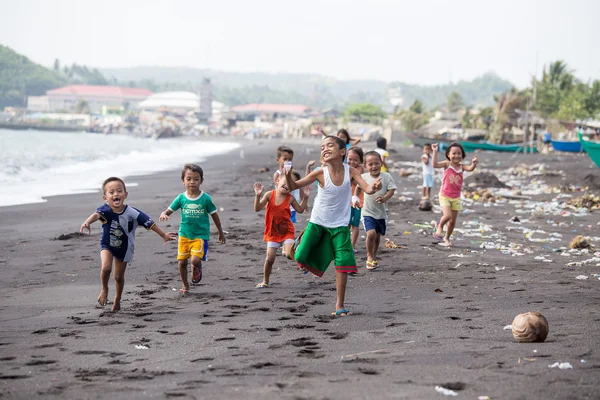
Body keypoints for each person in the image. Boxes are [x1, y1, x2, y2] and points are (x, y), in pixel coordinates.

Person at [284, 135, 382, 317]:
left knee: (343, 264)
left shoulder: (351, 172)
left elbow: (367, 188)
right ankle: (297, 245)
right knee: (301, 255)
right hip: (318, 222)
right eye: (322, 147)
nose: (325, 149)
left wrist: (374, 187)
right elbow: (293, 186)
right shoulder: (320, 173)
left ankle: (340, 305)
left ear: (342, 151)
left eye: (330, 145)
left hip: (340, 226)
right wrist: (287, 174)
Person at [80, 177, 177, 311]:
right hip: (107, 244)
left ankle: (117, 299)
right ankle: (104, 288)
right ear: (105, 198)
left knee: (118, 277)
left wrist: (163, 235)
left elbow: (150, 223)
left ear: (125, 195)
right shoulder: (105, 210)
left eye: (119, 191)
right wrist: (87, 222)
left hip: (124, 248)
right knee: (106, 268)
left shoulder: (132, 212)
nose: (115, 194)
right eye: (111, 192)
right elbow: (96, 215)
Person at [159, 164, 226, 294]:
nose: (192, 182)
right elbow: (168, 211)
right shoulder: (181, 198)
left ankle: (197, 266)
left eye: (196, 179)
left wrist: (220, 232)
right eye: (188, 179)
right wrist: (164, 214)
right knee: (181, 262)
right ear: (183, 181)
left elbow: (215, 216)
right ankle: (185, 286)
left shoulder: (206, 198)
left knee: (195, 260)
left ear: (201, 180)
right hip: (184, 234)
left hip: (200, 235)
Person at [253, 177, 309, 288]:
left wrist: (306, 197)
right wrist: (258, 195)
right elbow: (257, 208)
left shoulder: (290, 198)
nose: (287, 186)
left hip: (287, 231)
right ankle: (265, 281)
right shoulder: (269, 194)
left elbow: (300, 209)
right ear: (277, 181)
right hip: (272, 233)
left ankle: (300, 257)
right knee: (269, 259)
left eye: (290, 185)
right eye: (285, 183)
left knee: (289, 254)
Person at [355, 151, 397, 270]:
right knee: (371, 233)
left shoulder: (386, 176)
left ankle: (374, 255)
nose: (374, 166)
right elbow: (358, 188)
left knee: (377, 237)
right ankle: (369, 255)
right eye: (370, 164)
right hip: (367, 212)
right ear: (365, 166)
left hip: (381, 213)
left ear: (381, 163)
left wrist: (385, 198)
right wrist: (356, 198)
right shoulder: (364, 177)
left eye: (376, 163)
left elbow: (391, 190)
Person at [431, 143, 478, 247]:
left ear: (462, 155)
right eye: (454, 153)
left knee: (452, 222)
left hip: (456, 197)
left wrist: (474, 163)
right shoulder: (447, 164)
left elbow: (470, 168)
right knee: (447, 216)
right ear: (448, 154)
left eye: (459, 153)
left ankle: (446, 238)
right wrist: (434, 151)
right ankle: (439, 226)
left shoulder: (462, 167)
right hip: (445, 195)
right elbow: (434, 165)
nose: (456, 156)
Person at [272, 145, 302, 223]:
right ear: (278, 159)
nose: (287, 161)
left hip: (293, 205)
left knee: (290, 224)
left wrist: (302, 200)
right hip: (281, 204)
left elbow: (299, 187)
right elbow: (278, 189)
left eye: (290, 159)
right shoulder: (277, 174)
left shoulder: (293, 174)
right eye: (285, 159)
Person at [346, 146, 365, 252]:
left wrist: (350, 178)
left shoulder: (360, 169)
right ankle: (346, 244)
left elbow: (358, 182)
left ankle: (352, 245)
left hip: (358, 200)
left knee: (355, 223)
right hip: (346, 200)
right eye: (350, 159)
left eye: (355, 160)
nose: (352, 162)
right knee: (346, 223)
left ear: (360, 160)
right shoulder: (344, 167)